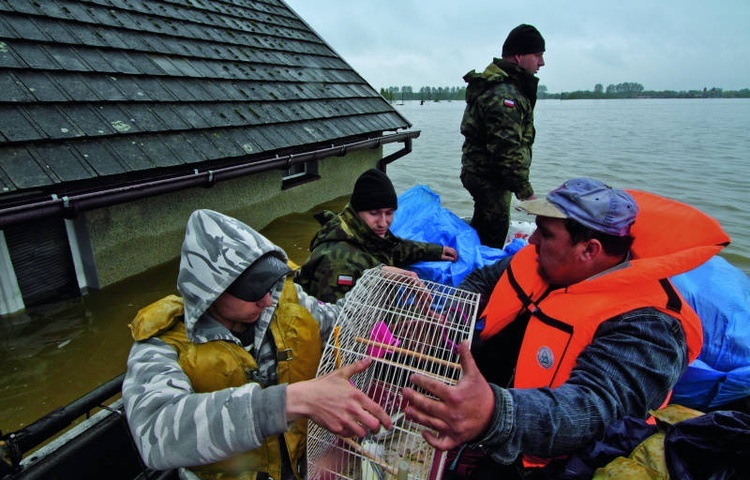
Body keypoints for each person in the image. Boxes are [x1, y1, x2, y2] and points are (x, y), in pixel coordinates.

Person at [400, 177, 730, 479]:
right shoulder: (537, 258)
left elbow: (595, 407)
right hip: (490, 397)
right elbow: (483, 279)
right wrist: (449, 317)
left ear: (589, 250)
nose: (531, 239)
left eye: (545, 232)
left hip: (551, 456)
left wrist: (494, 413)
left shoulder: (650, 325)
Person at [122, 209, 393, 480]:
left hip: (301, 467)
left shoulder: (282, 302)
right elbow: (157, 434)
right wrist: (290, 401)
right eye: (253, 290)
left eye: (269, 282)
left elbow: (342, 322)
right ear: (211, 292)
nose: (266, 300)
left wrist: (379, 282)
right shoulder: (162, 346)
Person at [295, 168, 458, 302]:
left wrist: (436, 251)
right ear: (357, 211)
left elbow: (393, 248)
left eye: (389, 213)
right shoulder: (338, 264)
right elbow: (336, 326)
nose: (383, 222)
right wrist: (403, 324)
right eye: (374, 213)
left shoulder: (364, 233)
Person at [460, 24, 545, 249]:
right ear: (518, 56)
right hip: (489, 178)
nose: (542, 63)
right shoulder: (504, 95)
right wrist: (527, 194)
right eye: (537, 55)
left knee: (483, 226)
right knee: (492, 238)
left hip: (485, 175)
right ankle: (480, 280)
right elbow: (506, 150)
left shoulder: (507, 88)